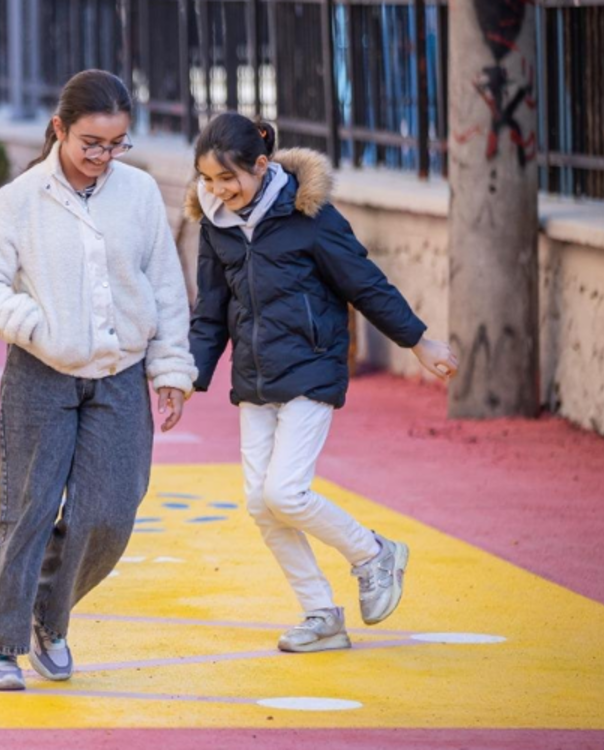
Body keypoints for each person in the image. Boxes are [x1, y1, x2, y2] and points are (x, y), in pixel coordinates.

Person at [0, 70, 197, 691]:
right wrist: (38, 326)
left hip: (121, 375)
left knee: (110, 514)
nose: (103, 157)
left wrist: (171, 368)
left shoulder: (140, 193)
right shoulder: (20, 198)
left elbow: (166, 286)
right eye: (91, 142)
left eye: (116, 145)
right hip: (41, 374)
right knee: (28, 511)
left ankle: (48, 616)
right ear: (60, 129)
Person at [185, 113, 459, 654]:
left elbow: (365, 282)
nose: (218, 191)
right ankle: (320, 614)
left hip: (312, 367)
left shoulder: (309, 217)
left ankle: (373, 552)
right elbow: (211, 311)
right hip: (256, 377)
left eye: (229, 179)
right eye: (209, 180)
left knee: (285, 491)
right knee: (261, 504)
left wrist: (418, 342)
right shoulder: (215, 223)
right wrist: (187, 380)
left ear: (261, 166)